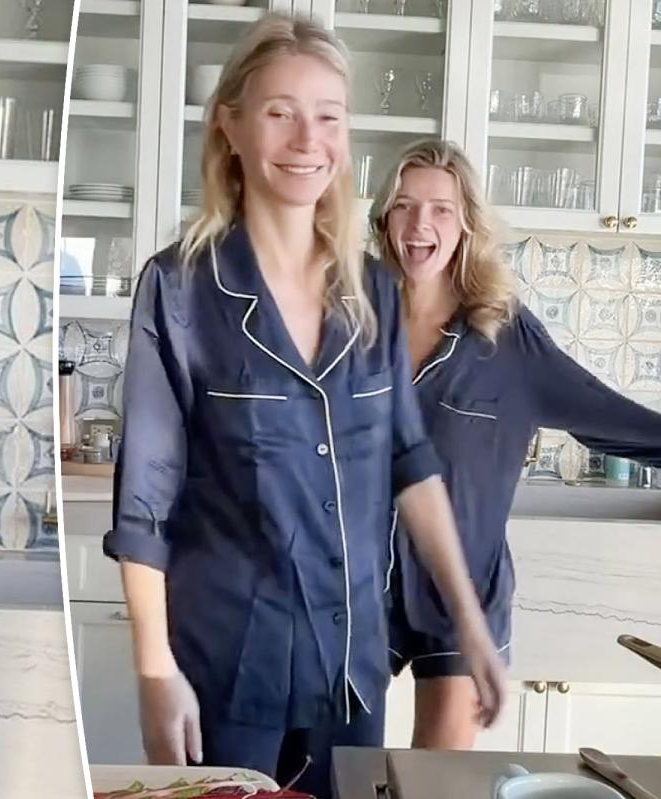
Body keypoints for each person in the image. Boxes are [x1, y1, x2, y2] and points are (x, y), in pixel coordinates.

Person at [103, 15, 506, 796]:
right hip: (225, 669)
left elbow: (410, 463)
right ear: (231, 125)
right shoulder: (179, 288)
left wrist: (470, 621)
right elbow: (144, 500)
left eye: (328, 116)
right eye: (280, 112)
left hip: (350, 667)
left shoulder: (374, 291)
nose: (306, 139)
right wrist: (154, 670)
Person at [370, 137, 661, 749]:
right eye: (404, 205)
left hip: (462, 592)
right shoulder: (357, 323)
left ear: (466, 226)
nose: (420, 224)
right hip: (356, 584)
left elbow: (608, 415)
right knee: (337, 769)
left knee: (437, 784)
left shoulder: (504, 336)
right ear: (384, 218)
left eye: (441, 209)